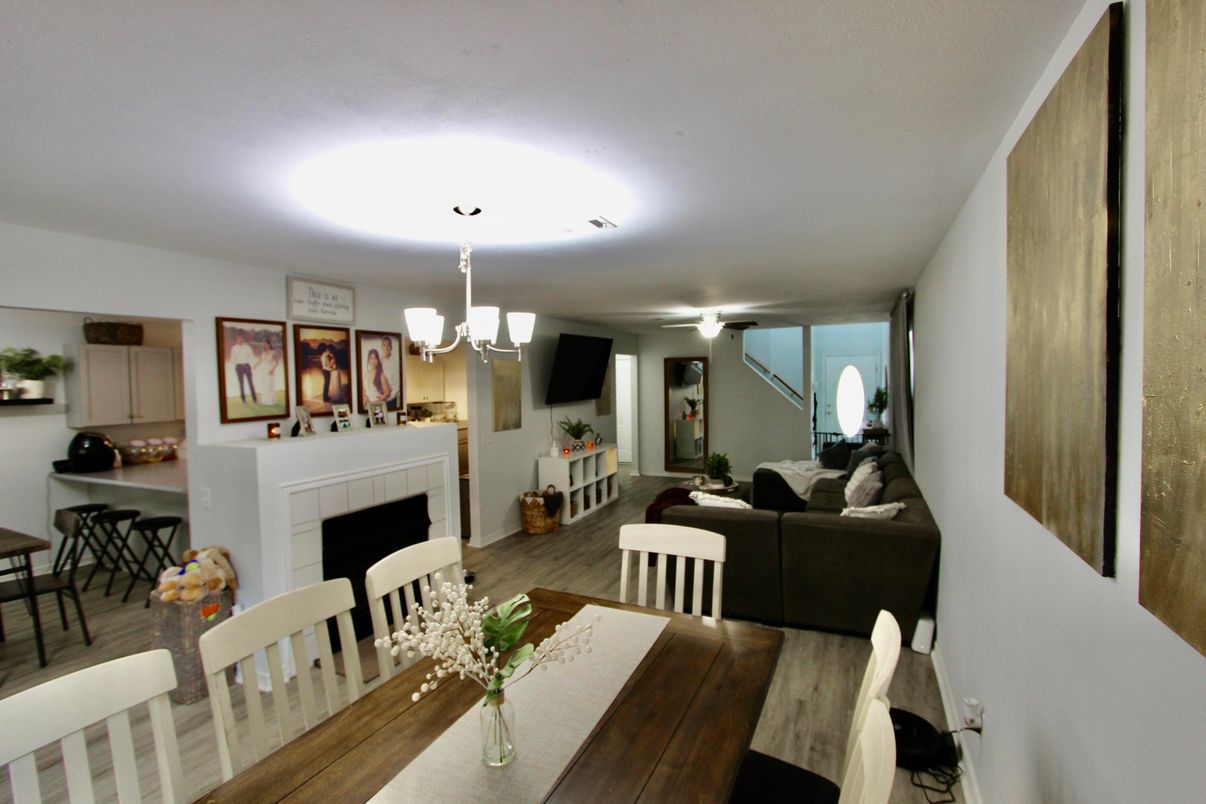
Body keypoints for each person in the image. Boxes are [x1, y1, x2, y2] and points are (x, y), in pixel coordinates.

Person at [230, 333, 257, 404]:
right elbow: (232, 359)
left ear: (243, 339)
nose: (240, 340)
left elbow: (252, 356)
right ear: (236, 340)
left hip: (247, 366)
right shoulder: (234, 348)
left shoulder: (247, 347)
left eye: (241, 338)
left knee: (250, 383)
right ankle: (243, 400)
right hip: (239, 367)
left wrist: (254, 365)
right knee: (241, 384)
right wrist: (234, 367)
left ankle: (254, 400)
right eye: (238, 338)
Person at [379, 335, 400, 409]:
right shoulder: (379, 361)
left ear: (391, 347)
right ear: (381, 347)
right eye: (384, 345)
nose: (386, 348)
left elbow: (398, 383)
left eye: (388, 346)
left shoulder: (396, 362)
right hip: (380, 399)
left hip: (391, 399)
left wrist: (389, 396)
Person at [255, 338, 278, 406]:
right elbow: (260, 360)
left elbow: (277, 362)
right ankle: (264, 400)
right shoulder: (263, 352)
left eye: (266, 344)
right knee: (264, 385)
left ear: (269, 344)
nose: (264, 345)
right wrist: (255, 365)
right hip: (263, 370)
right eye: (263, 344)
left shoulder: (273, 352)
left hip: (270, 369)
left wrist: (273, 369)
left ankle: (271, 400)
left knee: (269, 384)